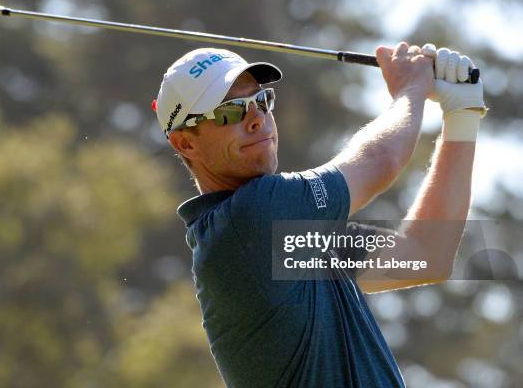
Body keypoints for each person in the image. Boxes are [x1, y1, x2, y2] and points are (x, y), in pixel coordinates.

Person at [153, 44, 486, 387]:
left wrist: (462, 113)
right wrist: (411, 87)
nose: (256, 119)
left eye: (261, 101)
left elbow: (429, 255)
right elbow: (380, 160)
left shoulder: (288, 235)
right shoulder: (249, 221)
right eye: (229, 112)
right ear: (185, 144)